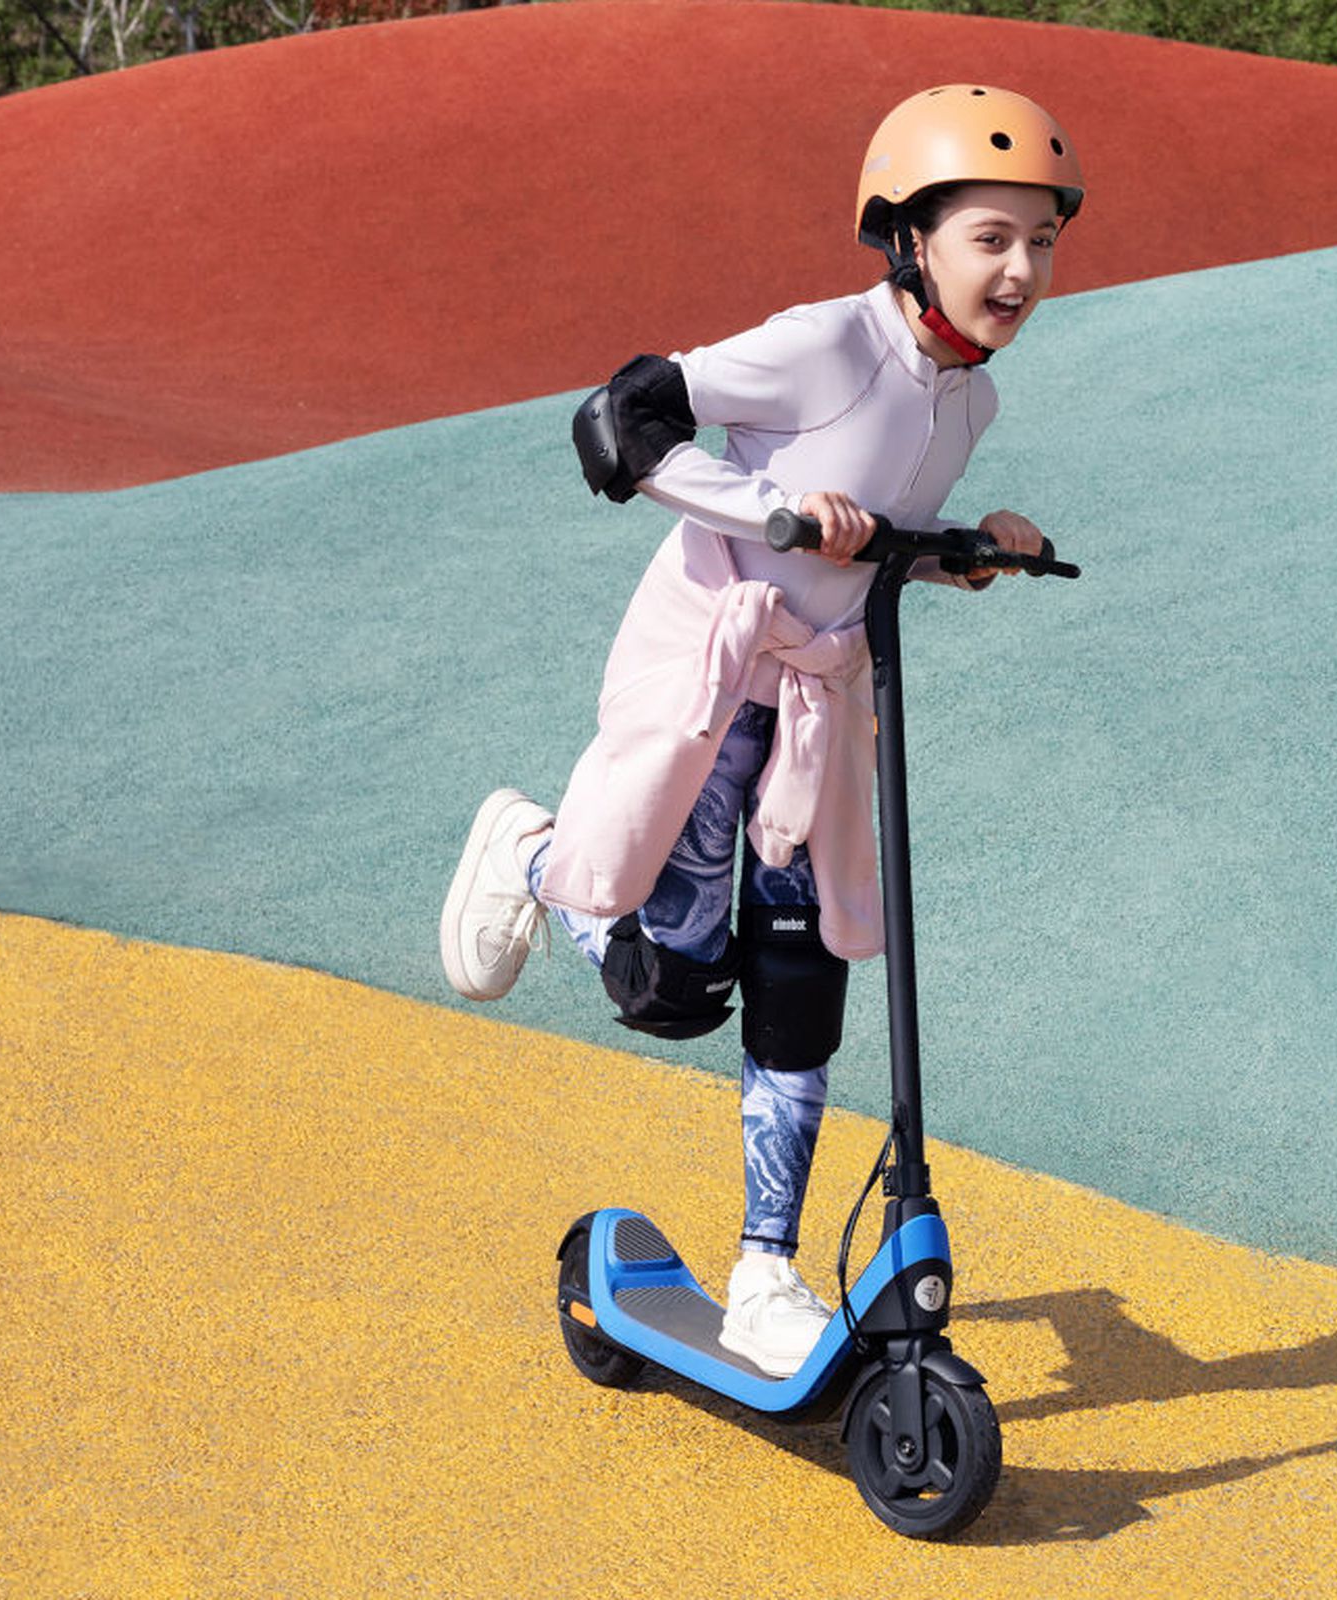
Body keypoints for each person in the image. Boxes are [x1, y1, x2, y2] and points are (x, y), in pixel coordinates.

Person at [440, 85, 1083, 1378]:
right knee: (668, 986)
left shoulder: (971, 404)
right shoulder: (825, 347)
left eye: (1042, 241)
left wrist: (967, 551)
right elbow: (620, 419)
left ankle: (766, 1273)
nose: (1020, 270)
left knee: (803, 985)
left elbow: (873, 550)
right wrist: (775, 510)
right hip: (712, 680)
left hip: (818, 710)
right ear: (909, 237)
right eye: (990, 239)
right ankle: (527, 855)